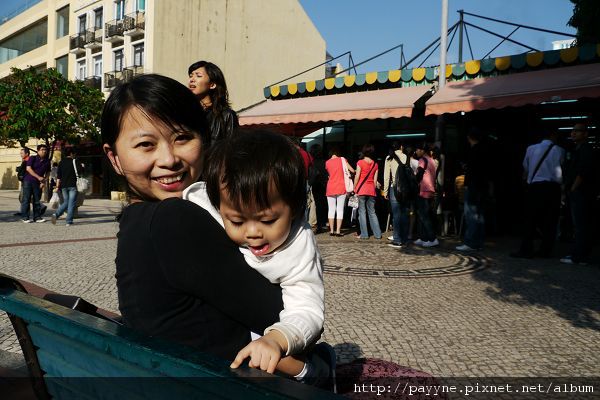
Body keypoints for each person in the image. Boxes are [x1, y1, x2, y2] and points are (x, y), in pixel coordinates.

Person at [102, 74, 334, 387]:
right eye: (146, 145)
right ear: (114, 158)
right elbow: (275, 312)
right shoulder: (174, 219)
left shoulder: (137, 220)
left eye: (182, 138)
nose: (169, 159)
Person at [184, 130, 326, 378]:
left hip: (277, 329)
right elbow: (192, 200)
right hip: (232, 326)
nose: (252, 232)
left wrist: (277, 340)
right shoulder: (210, 207)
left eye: (268, 220)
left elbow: (307, 309)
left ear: (293, 209)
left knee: (286, 363)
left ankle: (318, 373)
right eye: (237, 221)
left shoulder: (298, 248)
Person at [511, 131, 564, 259]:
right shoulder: (560, 150)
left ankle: (526, 249)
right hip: (553, 188)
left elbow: (526, 167)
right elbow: (561, 168)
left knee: (530, 219)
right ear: (554, 136)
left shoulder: (531, 148)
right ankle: (545, 251)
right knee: (550, 220)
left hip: (535, 187)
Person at [560, 124, 596, 265]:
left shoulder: (586, 149)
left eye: (578, 131)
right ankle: (582, 256)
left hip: (581, 193)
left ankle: (578, 256)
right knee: (582, 225)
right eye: (573, 130)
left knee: (580, 225)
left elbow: (582, 171)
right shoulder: (577, 149)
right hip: (580, 192)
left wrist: (573, 189)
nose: (574, 133)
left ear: (585, 134)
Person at [187, 60, 238, 145]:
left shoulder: (227, 116)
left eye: (198, 76)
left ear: (212, 85)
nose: (192, 80)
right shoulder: (184, 113)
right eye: (190, 76)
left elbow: (232, 149)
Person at [456, 128, 490, 251]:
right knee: (479, 215)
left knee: (470, 214)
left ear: (470, 137)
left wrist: (466, 168)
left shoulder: (473, 151)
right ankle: (479, 242)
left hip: (473, 185)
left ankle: (470, 242)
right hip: (482, 186)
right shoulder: (486, 150)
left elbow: (472, 169)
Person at [383, 142, 409, 248]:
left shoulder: (389, 158)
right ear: (401, 146)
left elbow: (386, 176)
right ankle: (404, 238)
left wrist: (385, 191)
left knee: (396, 214)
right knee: (404, 213)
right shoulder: (407, 157)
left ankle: (397, 239)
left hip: (394, 188)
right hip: (405, 189)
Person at [354, 144, 381, 240]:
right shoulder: (375, 164)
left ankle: (364, 234)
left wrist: (354, 188)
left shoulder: (360, 162)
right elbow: (375, 181)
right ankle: (378, 234)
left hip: (361, 190)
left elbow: (357, 177)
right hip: (371, 190)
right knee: (372, 212)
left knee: (362, 212)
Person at [414, 142, 439, 247]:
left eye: (417, 150)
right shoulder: (432, 160)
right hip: (431, 190)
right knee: (422, 215)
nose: (416, 152)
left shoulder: (422, 160)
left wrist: (414, 180)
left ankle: (432, 239)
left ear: (422, 150)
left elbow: (419, 174)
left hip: (423, 190)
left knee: (424, 216)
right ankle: (423, 237)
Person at [325, 147, 354, 236]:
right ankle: (338, 231)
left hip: (330, 187)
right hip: (341, 187)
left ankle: (331, 231)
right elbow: (352, 170)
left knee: (331, 209)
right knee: (340, 209)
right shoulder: (342, 159)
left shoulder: (327, 162)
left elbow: (329, 174)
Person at [51, 148, 83, 226]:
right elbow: (81, 172)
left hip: (63, 186)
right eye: (74, 153)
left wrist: (57, 186)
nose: (74, 155)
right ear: (71, 154)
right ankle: (69, 221)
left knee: (66, 202)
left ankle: (56, 215)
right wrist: (82, 166)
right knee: (71, 203)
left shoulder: (61, 162)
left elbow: (59, 176)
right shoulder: (75, 161)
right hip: (72, 185)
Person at [20, 144, 50, 223]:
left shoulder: (47, 161)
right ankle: (25, 217)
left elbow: (48, 172)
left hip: (38, 183)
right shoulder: (32, 158)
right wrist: (38, 177)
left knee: (37, 200)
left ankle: (37, 217)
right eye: (42, 149)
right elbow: (28, 168)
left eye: (45, 150)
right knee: (26, 199)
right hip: (28, 181)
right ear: (38, 151)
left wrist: (44, 181)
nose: (44, 151)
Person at [308, 144, 328, 233]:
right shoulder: (325, 162)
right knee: (323, 204)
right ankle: (323, 222)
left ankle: (319, 225)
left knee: (316, 205)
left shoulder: (312, 163)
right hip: (324, 185)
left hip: (315, 185)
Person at [15, 148, 30, 217]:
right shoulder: (24, 160)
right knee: (23, 197)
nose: (20, 155)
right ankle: (22, 211)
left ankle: (41, 206)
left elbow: (27, 170)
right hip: (24, 180)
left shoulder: (28, 160)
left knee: (23, 197)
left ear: (26, 154)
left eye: (22, 153)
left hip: (26, 181)